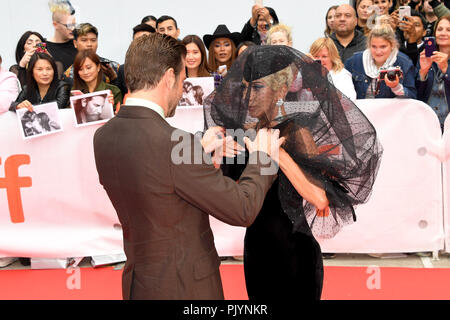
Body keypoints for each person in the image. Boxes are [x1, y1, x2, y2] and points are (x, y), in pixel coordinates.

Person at [93, 33, 284, 300]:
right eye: (183, 80)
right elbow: (242, 209)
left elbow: (154, 179)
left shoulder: (103, 136)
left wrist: (198, 152)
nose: (182, 88)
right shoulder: (176, 144)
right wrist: (263, 158)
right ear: (169, 77)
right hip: (185, 287)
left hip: (139, 283)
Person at [204, 45, 382, 300]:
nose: (248, 96)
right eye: (244, 88)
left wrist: (277, 155)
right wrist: (215, 157)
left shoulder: (295, 131)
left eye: (257, 88)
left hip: (295, 255)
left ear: (280, 89)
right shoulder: (239, 135)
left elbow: (320, 199)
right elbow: (229, 195)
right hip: (255, 252)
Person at [344, 22, 417, 99]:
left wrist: (396, 87)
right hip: (360, 109)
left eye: (383, 47)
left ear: (392, 45)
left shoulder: (405, 63)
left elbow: (412, 97)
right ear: (369, 45)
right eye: (374, 47)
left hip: (391, 110)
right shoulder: (353, 61)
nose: (378, 51)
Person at [417, 15, 450, 131]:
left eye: (448, 30)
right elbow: (416, 95)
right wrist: (423, 73)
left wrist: (446, 70)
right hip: (427, 121)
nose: (443, 33)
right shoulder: (426, 56)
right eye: (439, 29)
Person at [64, 23, 120, 88]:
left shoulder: (114, 67)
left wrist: (113, 78)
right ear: (75, 43)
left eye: (93, 40)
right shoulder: (68, 75)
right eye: (84, 40)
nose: (89, 44)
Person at [117, 23, 157, 99]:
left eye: (146, 40)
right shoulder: (123, 70)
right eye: (138, 41)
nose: (142, 44)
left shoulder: (164, 66)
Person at [46, 2, 78, 72]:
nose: (73, 29)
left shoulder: (78, 45)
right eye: (68, 25)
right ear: (55, 25)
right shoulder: (43, 47)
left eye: (74, 25)